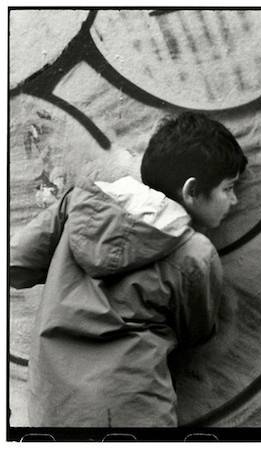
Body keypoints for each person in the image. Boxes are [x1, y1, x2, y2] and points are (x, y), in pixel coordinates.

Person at [9, 112, 247, 427]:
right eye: (228, 188)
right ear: (191, 191)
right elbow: (197, 332)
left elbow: (16, 263)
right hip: (134, 414)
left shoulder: (80, 200)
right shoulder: (194, 255)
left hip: (52, 410)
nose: (235, 199)